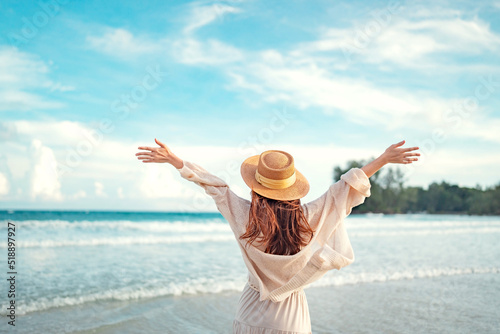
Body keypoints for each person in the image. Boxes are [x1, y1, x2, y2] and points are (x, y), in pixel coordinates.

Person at [135, 139, 420, 334]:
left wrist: (176, 161)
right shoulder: (309, 218)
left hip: (249, 312)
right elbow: (343, 190)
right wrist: (383, 159)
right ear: (292, 189)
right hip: (290, 319)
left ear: (256, 187)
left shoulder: (244, 216)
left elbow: (215, 186)